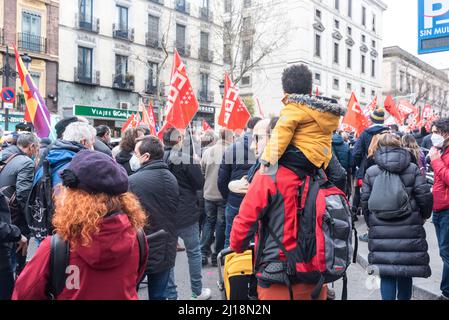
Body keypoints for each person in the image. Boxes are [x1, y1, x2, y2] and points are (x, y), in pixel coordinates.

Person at [12, 150, 148, 300]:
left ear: (73, 197)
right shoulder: (137, 237)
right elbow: (136, 278)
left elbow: (24, 294)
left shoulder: (55, 247)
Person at [361, 133, 432, 300]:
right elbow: (424, 196)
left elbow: (365, 200)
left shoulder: (372, 171)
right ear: (400, 146)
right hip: (409, 226)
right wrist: (423, 216)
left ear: (378, 148)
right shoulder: (412, 168)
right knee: (406, 272)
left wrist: (370, 222)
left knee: (386, 273)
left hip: (381, 227)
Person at [259, 64, 345, 176]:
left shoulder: (294, 107)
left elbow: (281, 134)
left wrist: (267, 160)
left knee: (263, 157)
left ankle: (249, 180)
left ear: (285, 91)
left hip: (304, 156)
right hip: (322, 157)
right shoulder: (320, 111)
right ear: (310, 90)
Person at [162, 128, 211, 300]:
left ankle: (170, 294)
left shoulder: (157, 158)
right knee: (194, 252)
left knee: (168, 256)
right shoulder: (186, 159)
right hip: (186, 213)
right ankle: (196, 292)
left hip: (166, 213)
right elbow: (199, 183)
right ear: (179, 139)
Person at [128, 136, 179, 300]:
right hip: (166, 245)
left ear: (146, 156)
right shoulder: (171, 178)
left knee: (131, 293)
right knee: (159, 295)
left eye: (136, 153)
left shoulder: (133, 181)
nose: (133, 157)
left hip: (143, 246)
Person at [0, 133, 39, 300]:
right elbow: (24, 195)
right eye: (36, 149)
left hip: (8, 221)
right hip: (13, 223)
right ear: (31, 147)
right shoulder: (26, 163)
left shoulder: (7, 157)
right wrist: (31, 222)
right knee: (14, 265)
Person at [218, 117, 260, 248]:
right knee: (256, 241)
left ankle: (229, 267)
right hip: (257, 203)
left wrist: (229, 197)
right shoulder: (268, 149)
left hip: (235, 201)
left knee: (231, 239)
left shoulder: (232, 148)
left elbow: (222, 180)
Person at [352, 108, 389, 242]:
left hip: (367, 171)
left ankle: (370, 231)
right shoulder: (390, 132)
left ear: (372, 119)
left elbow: (356, 153)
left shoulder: (365, 134)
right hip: (387, 170)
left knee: (367, 201)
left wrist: (359, 165)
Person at [200, 129, 233, 267]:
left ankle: (203, 252)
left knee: (208, 222)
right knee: (221, 224)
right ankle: (217, 255)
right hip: (223, 194)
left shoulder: (207, 151)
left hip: (209, 193)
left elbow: (202, 170)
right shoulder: (232, 152)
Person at [35, 122, 96, 188]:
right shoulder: (79, 168)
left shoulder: (49, 159)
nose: (93, 143)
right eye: (92, 141)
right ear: (83, 142)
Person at [428, 118, 449, 300]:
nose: (433, 136)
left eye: (436, 132)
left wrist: (436, 162)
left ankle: (447, 292)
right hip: (440, 208)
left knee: (447, 252)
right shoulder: (443, 151)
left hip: (447, 210)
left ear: (446, 133)